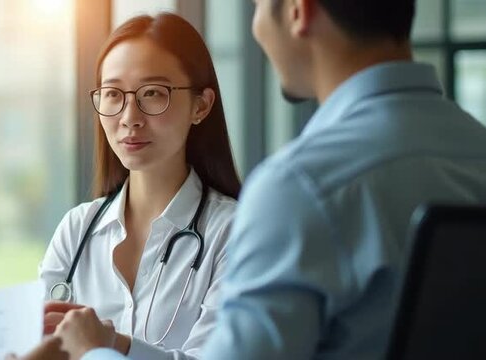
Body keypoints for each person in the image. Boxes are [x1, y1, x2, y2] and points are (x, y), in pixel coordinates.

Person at [41, 0, 486, 359]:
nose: (255, 27)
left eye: (256, 6)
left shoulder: (301, 188)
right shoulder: (475, 150)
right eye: (114, 95)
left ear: (298, 10)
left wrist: (98, 351)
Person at [39, 13, 241, 360]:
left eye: (152, 93)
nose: (130, 117)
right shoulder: (77, 230)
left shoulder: (234, 231)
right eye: (113, 94)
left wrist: (114, 345)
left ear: (201, 105)